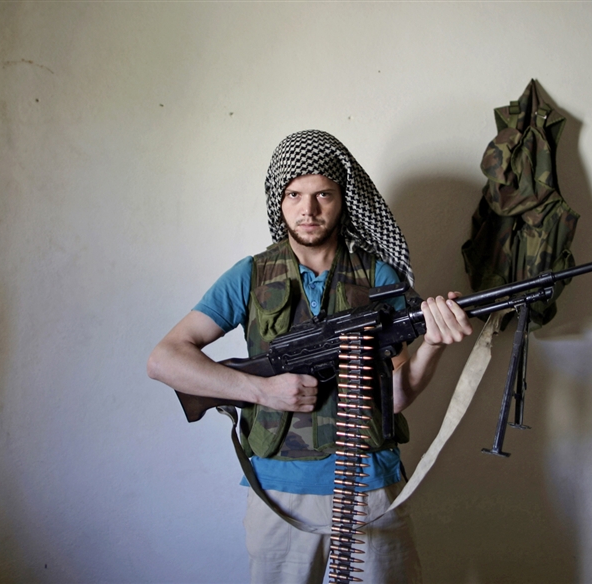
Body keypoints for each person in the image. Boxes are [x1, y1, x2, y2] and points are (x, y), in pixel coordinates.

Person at [147, 129, 472, 583]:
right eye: (295, 194)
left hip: (369, 486)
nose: (309, 209)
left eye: (324, 194)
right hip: (281, 495)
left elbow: (394, 397)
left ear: (344, 200)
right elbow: (163, 360)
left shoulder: (377, 274)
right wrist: (262, 389)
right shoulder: (251, 274)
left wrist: (434, 344)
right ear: (278, 202)